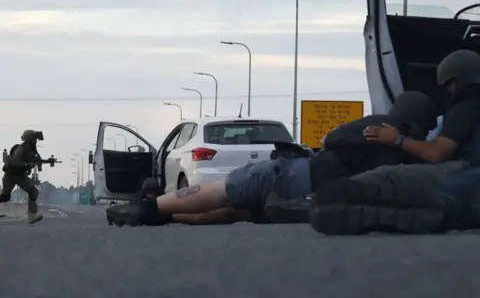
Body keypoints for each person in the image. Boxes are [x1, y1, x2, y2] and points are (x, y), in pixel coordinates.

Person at [105, 90, 438, 227]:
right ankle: (172, 218)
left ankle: (151, 209)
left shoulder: (377, 126)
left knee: (227, 189)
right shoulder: (411, 157)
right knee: (236, 212)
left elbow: (333, 139)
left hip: (302, 173)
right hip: (324, 197)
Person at [308, 49, 480, 234]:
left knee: (385, 177)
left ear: (456, 81)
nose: (449, 92)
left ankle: (312, 205)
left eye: (448, 86)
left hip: (465, 170)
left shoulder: (469, 99)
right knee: (456, 201)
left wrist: (397, 139)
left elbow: (436, 153)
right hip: (469, 182)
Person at [0, 130, 44, 224]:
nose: (35, 141)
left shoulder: (31, 151)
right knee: (5, 197)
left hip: (21, 176)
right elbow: (15, 162)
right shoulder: (21, 149)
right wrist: (27, 165)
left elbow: (32, 161)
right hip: (11, 176)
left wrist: (33, 165)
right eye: (34, 139)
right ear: (29, 140)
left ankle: (32, 215)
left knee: (34, 192)